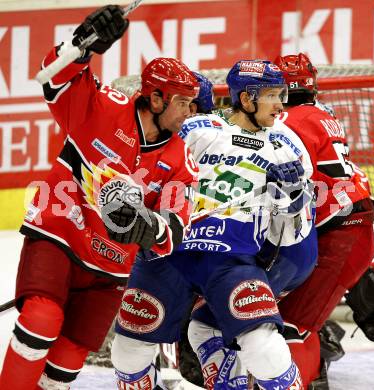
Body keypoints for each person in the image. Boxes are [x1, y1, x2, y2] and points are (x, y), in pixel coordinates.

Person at [0, 5, 199, 390]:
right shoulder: (104, 106)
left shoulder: (180, 157)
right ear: (156, 98)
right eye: (181, 102)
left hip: (109, 266)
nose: (189, 112)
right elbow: (54, 78)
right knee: (41, 320)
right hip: (59, 233)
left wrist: (150, 228)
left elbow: (175, 227)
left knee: (69, 359)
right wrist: (84, 42)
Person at [109, 60, 317, 390]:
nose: (281, 104)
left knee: (265, 348)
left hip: (231, 262)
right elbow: (147, 168)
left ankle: (229, 374)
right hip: (168, 254)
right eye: (273, 95)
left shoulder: (286, 148)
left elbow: (292, 233)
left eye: (282, 94)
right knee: (127, 352)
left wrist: (291, 202)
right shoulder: (196, 131)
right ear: (246, 100)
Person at [273, 53, 374, 389]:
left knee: (294, 324)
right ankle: (321, 356)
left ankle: (313, 373)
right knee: (288, 316)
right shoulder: (323, 114)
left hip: (339, 230)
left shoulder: (283, 122)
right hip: (343, 223)